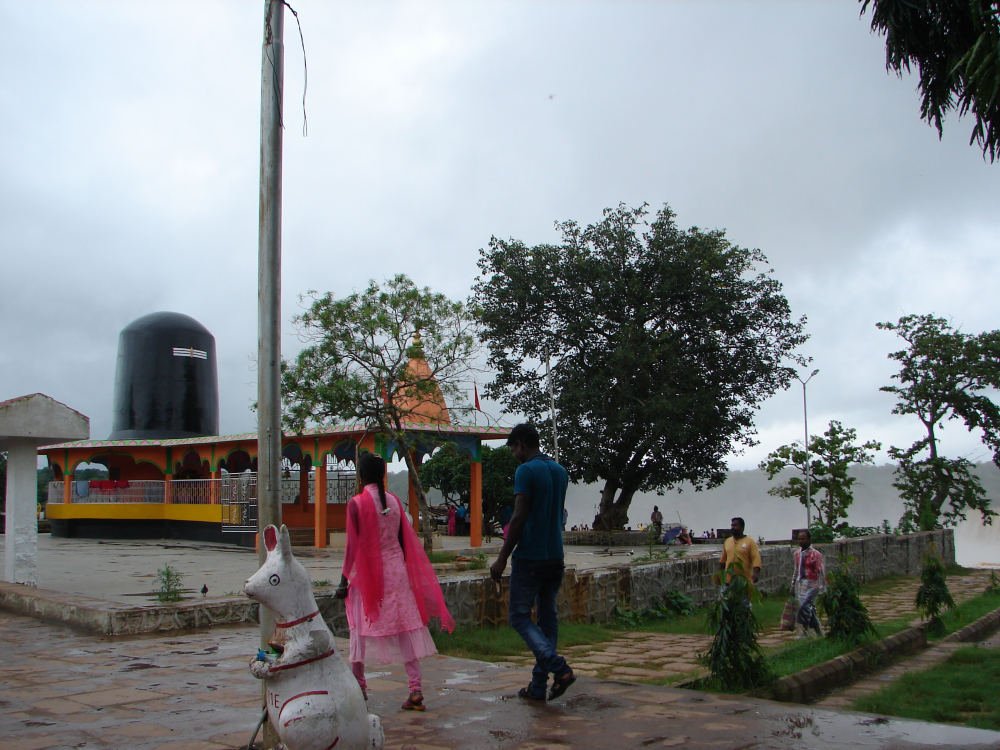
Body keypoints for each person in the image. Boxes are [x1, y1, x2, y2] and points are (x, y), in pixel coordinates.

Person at [336, 452, 455, 711]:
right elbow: (403, 541)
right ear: (382, 474)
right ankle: (415, 689)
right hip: (396, 572)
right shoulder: (395, 502)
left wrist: (343, 581)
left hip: (368, 575)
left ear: (360, 474)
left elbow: (351, 548)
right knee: (404, 629)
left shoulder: (356, 503)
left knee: (358, 627)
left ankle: (360, 687)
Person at [490, 423, 574, 702]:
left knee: (519, 616)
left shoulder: (525, 471)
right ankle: (539, 686)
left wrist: (502, 558)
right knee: (548, 616)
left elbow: (519, 517)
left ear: (522, 445)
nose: (513, 452)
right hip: (555, 557)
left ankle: (558, 668)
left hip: (530, 557)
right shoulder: (560, 472)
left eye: (513, 447)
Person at [791, 529, 826, 638]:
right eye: (799, 539)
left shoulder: (815, 554)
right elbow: (796, 570)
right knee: (810, 609)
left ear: (809, 539)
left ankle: (804, 632)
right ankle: (819, 631)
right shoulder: (797, 554)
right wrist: (793, 585)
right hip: (802, 584)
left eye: (803, 539)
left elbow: (820, 571)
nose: (801, 541)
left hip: (813, 583)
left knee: (804, 607)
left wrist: (822, 587)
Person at [718, 517, 761, 584]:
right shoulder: (727, 541)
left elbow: (755, 558)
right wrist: (720, 575)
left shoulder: (750, 542)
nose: (732, 527)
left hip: (745, 582)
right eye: (732, 525)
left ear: (742, 527)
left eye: (735, 525)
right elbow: (723, 560)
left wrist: (756, 573)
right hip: (728, 582)